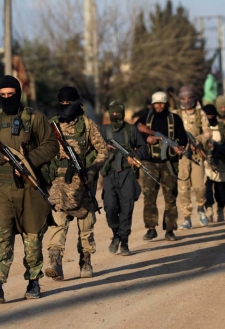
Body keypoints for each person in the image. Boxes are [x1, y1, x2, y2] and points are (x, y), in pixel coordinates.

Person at [0, 75, 59, 303]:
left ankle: (33, 281)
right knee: (1, 236)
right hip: (2, 188)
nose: (7, 99)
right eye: (3, 95)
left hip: (30, 188)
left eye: (11, 95)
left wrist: (28, 160)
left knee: (32, 238)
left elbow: (51, 145)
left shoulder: (35, 118)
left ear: (19, 94)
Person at [44, 86, 108, 281]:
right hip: (58, 183)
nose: (65, 107)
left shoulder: (88, 125)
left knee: (86, 224)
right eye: (62, 103)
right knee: (57, 223)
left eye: (68, 103)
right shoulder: (52, 125)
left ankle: (86, 260)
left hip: (83, 182)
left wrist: (91, 170)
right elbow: (42, 151)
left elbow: (103, 151)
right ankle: (55, 262)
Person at [136, 92, 188, 240]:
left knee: (170, 197)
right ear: (152, 104)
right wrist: (148, 138)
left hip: (169, 164)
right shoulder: (146, 117)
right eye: (156, 104)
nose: (159, 106)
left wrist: (179, 146)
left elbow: (183, 137)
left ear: (166, 104)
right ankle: (151, 228)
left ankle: (170, 229)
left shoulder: (174, 119)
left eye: (161, 103)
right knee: (149, 197)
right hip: (150, 162)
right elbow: (135, 131)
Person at [100, 101, 148, 256]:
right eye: (112, 113)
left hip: (127, 173)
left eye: (117, 113)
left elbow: (143, 149)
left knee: (127, 209)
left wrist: (134, 157)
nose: (115, 116)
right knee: (110, 207)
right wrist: (104, 149)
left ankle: (124, 243)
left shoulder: (131, 130)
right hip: (109, 174)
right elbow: (93, 148)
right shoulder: (103, 131)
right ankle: (116, 234)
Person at [174, 86, 212, 229]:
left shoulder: (199, 114)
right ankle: (186, 218)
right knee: (183, 189)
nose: (186, 101)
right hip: (182, 157)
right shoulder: (175, 114)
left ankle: (201, 209)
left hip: (196, 156)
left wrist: (198, 140)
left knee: (199, 187)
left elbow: (208, 132)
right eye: (183, 98)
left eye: (189, 98)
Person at [203, 104, 225, 222]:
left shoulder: (222, 127)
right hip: (206, 164)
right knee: (206, 189)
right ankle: (209, 208)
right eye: (207, 116)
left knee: (221, 189)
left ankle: (220, 210)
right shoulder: (202, 128)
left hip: (221, 164)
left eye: (211, 115)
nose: (209, 118)